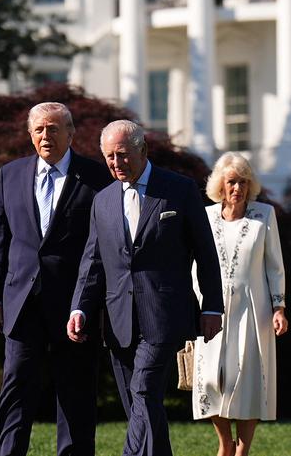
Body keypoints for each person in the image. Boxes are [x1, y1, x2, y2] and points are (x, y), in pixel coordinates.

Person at [68, 119, 224, 456]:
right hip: (118, 317)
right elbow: (93, 260)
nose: (116, 163)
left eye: (122, 155)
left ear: (143, 150)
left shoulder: (179, 189)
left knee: (142, 389)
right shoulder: (103, 200)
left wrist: (212, 306)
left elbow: (206, 252)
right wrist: (79, 307)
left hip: (165, 314)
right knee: (140, 403)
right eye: (109, 157)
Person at [0, 102, 113, 456]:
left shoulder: (97, 177)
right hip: (21, 304)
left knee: (75, 390)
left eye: (54, 129)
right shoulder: (9, 175)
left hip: (75, 305)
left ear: (71, 134)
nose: (46, 136)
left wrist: (95, 302)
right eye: (39, 129)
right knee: (16, 387)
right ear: (30, 134)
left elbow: (103, 245)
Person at [192, 153, 287, 456]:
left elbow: (275, 266)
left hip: (253, 308)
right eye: (232, 182)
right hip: (211, 310)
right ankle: (225, 443)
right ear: (221, 184)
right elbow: (194, 265)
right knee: (211, 379)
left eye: (244, 182)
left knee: (247, 378)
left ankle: (242, 449)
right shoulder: (204, 217)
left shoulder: (264, 216)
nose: (238, 188)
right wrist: (197, 303)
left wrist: (279, 307)